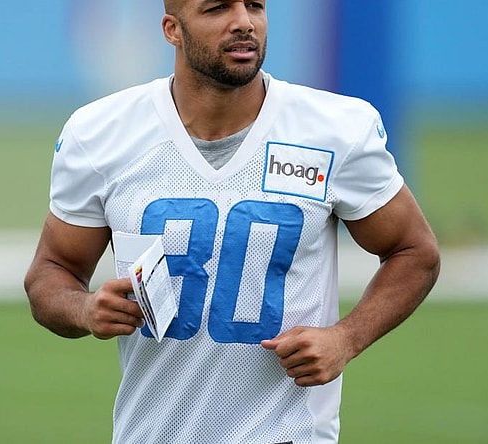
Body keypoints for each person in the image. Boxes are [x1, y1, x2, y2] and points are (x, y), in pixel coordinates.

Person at [24, 0, 440, 442]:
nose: (244, 22)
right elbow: (50, 274)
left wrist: (346, 339)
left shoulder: (335, 129)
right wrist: (85, 310)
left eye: (255, 6)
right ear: (172, 29)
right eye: (217, 8)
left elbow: (415, 252)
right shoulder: (100, 133)